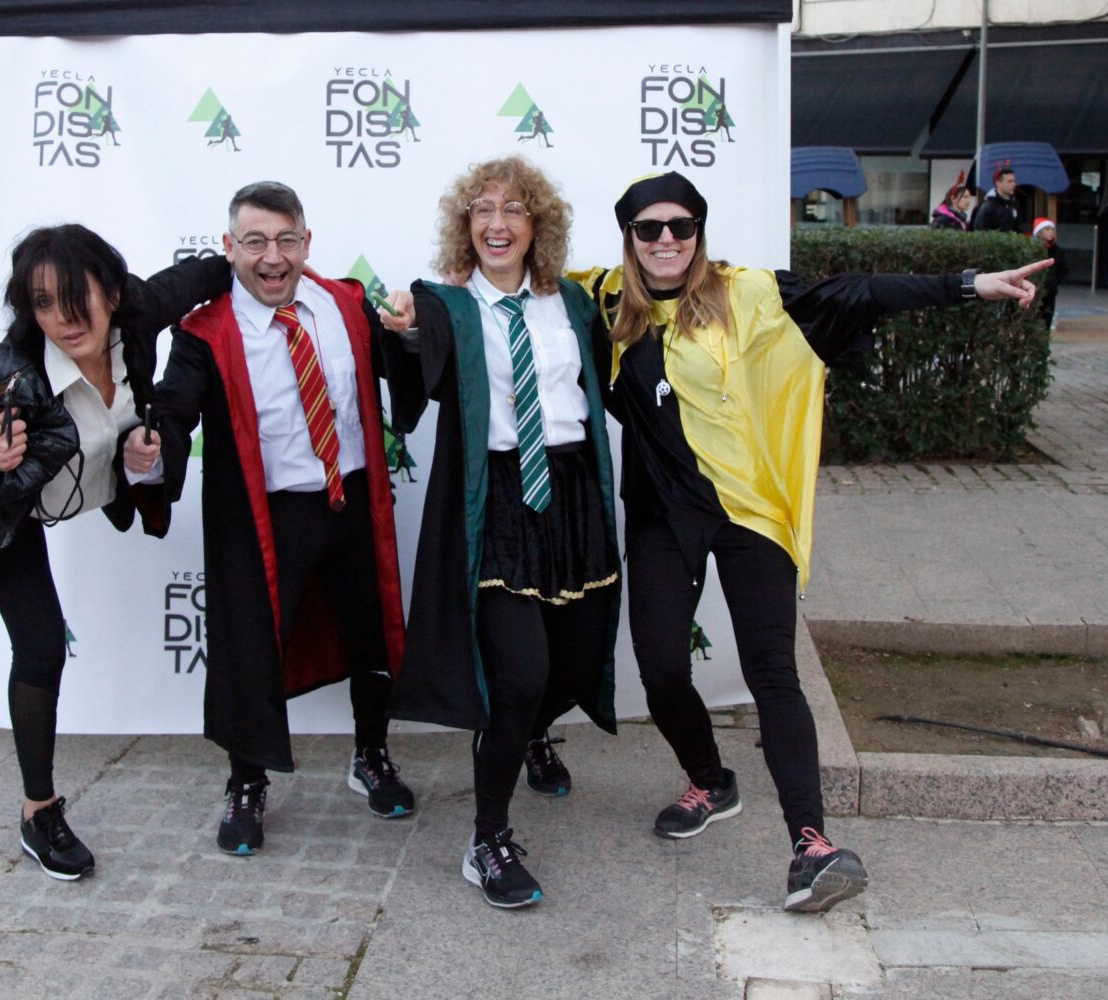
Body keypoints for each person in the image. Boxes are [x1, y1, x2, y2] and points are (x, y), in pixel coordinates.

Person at [572, 171, 1049, 913]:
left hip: (749, 509)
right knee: (660, 668)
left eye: (681, 226)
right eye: (649, 228)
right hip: (662, 515)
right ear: (628, 236)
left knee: (773, 672)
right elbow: (513, 289)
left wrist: (968, 284)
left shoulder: (749, 293)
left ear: (698, 232)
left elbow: (857, 292)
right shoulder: (603, 299)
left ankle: (812, 846)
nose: (666, 240)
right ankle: (711, 781)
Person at [0, 225, 230, 881]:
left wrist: (251, 259)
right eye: (43, 303)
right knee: (41, 646)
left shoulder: (138, 316)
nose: (65, 319)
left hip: (69, 487)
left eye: (78, 298)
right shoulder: (3, 372)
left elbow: (202, 276)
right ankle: (38, 813)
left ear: (113, 293)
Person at [151, 181, 418, 858]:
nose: (272, 257)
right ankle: (246, 782)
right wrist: (148, 450)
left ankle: (371, 755)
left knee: (370, 633)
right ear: (228, 247)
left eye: (285, 240)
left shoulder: (345, 304)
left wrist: (414, 334)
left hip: (351, 498)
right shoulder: (205, 333)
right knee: (252, 647)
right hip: (266, 513)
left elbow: (405, 369)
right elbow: (173, 412)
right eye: (255, 242)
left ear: (306, 242)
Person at [383, 155, 620, 908]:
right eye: (482, 209)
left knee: (571, 663)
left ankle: (532, 734)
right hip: (496, 499)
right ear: (466, 226)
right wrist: (403, 333)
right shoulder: (445, 306)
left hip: (572, 493)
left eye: (514, 209)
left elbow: (605, 381)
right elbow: (414, 371)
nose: (497, 223)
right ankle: (488, 838)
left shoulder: (572, 302)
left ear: (536, 225)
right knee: (517, 674)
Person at [1032, 217, 1068, 329]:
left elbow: (1063, 269)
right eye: (1047, 229)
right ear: (1039, 233)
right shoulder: (1033, 250)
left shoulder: (1057, 251)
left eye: (1052, 229)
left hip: (1050, 290)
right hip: (1034, 289)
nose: (1051, 232)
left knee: (1048, 316)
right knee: (1034, 316)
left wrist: (1055, 282)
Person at [972, 162, 1020, 232]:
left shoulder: (1014, 205)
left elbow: (1018, 230)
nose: (1014, 184)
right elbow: (979, 230)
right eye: (1009, 181)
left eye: (1014, 181)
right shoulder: (988, 206)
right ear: (998, 183)